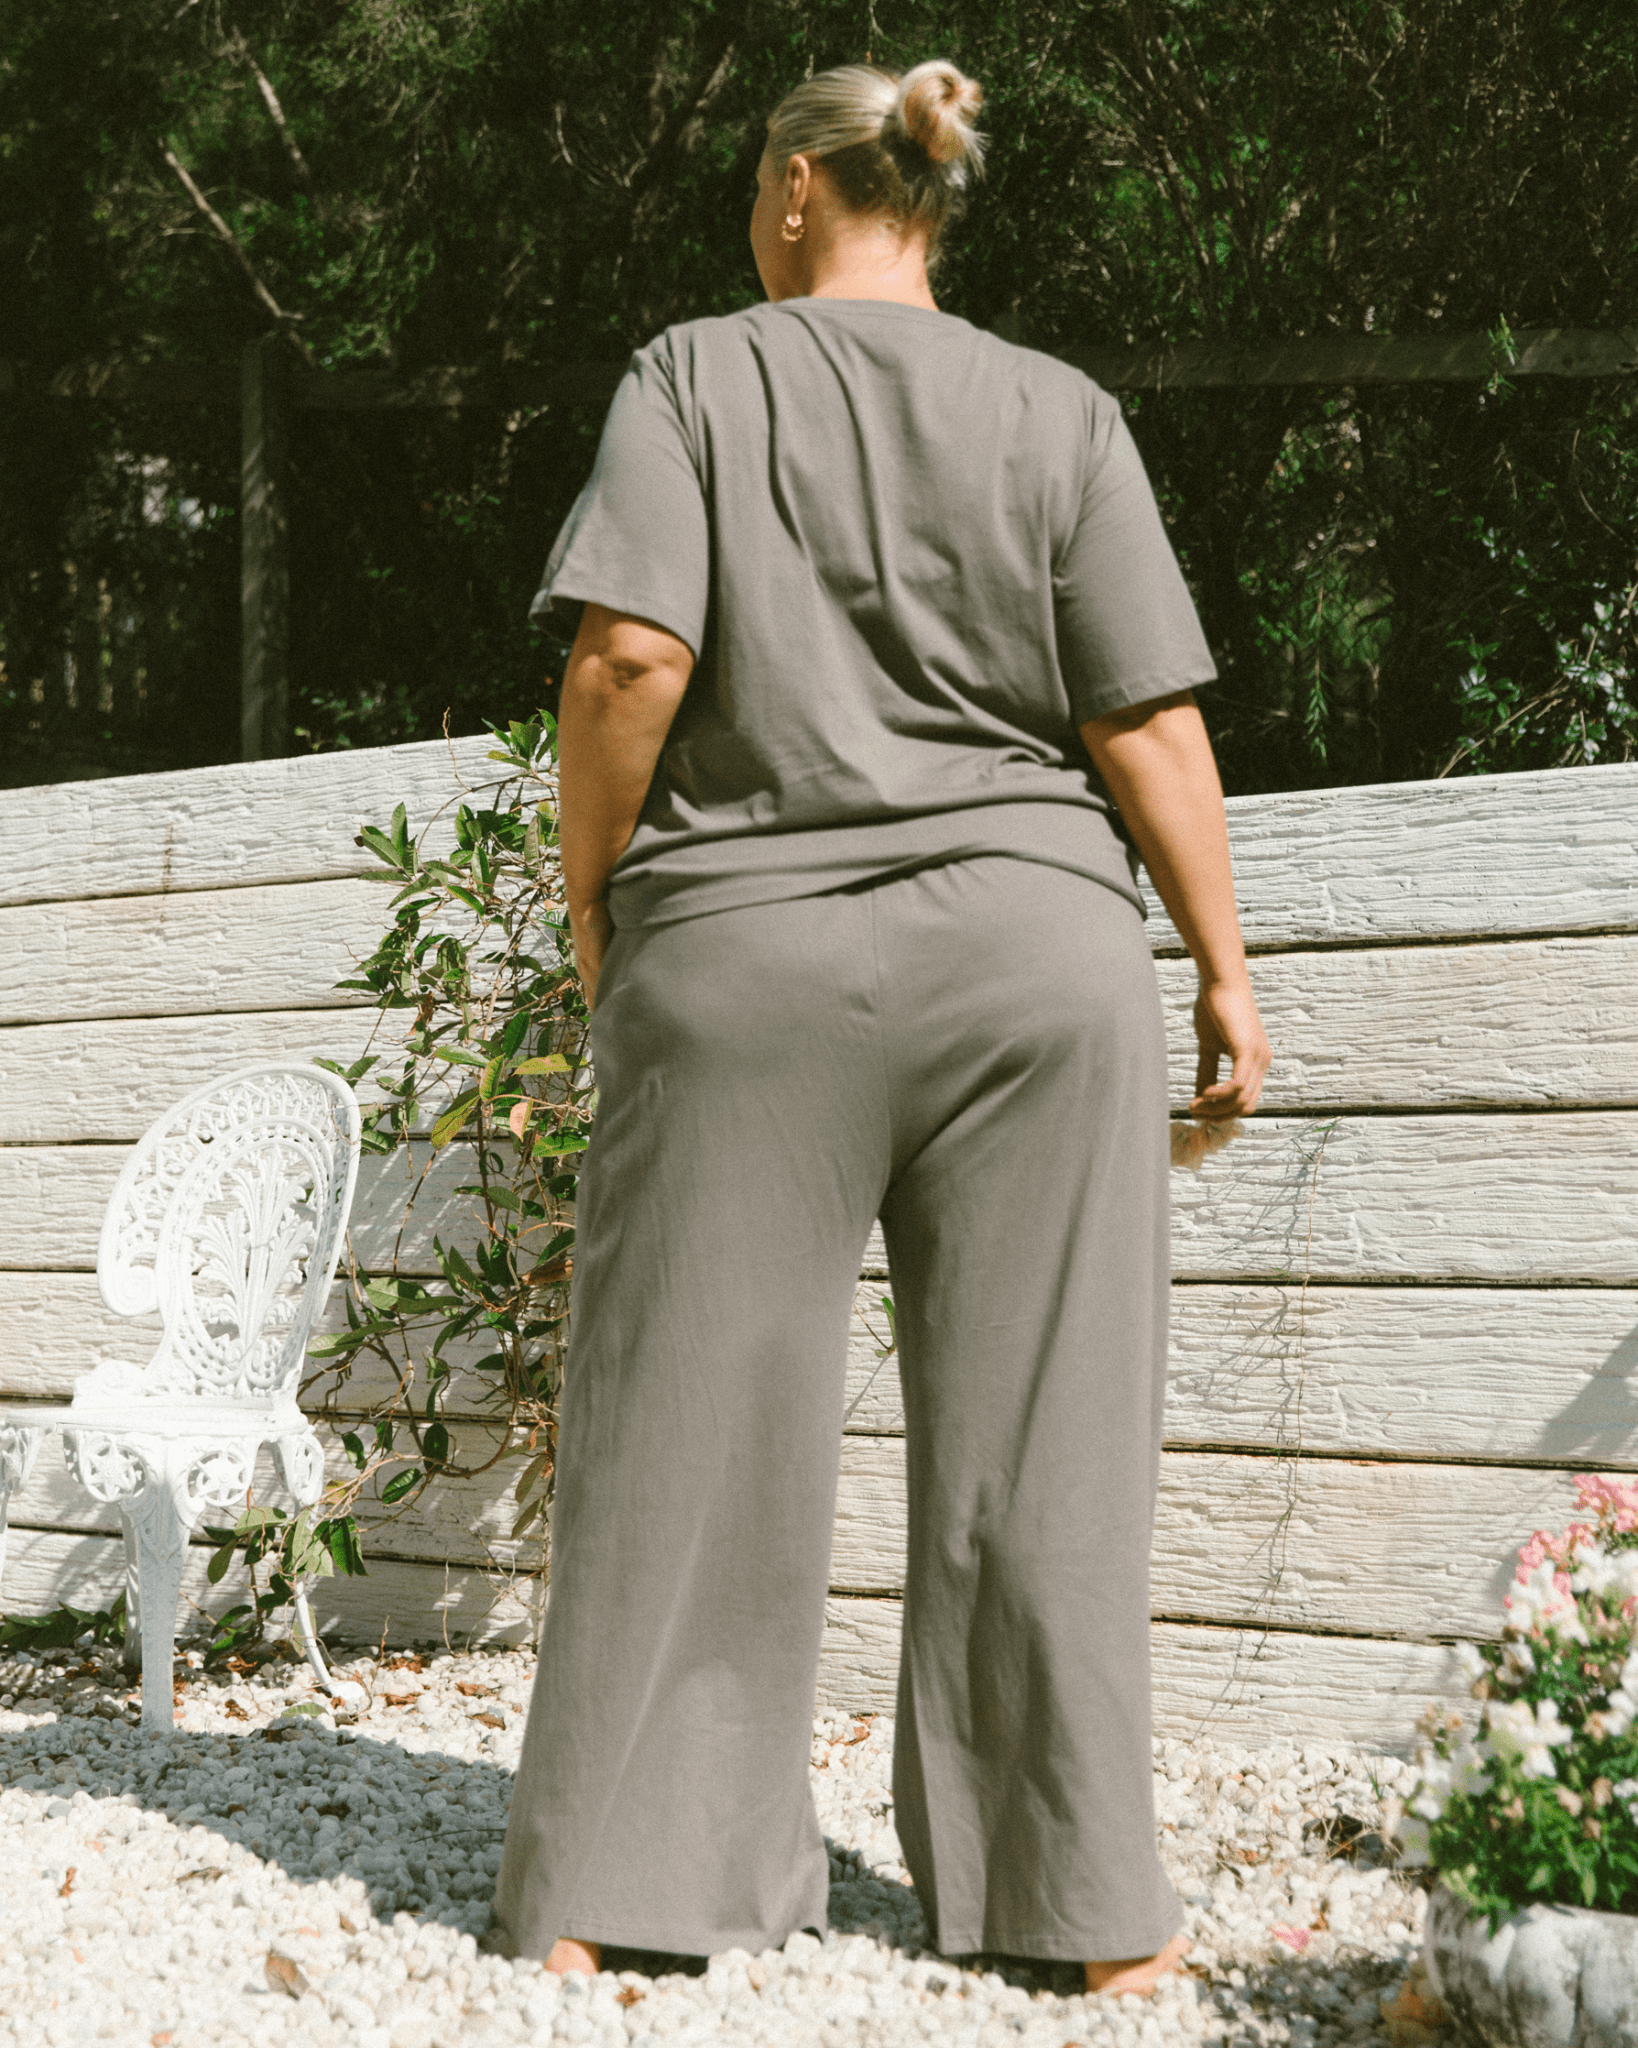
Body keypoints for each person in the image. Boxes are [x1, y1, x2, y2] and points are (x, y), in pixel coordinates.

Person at [493, 57, 1270, 2000]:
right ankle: (1085, 1918)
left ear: (792, 188)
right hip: (1038, 964)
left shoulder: (694, 375)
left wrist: (596, 901)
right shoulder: (1060, 409)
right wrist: (1224, 967)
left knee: (689, 1413)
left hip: (744, 963)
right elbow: (1144, 718)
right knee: (1046, 1439)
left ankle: (620, 1885)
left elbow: (628, 658)